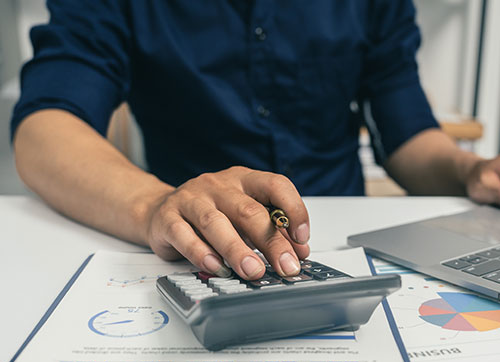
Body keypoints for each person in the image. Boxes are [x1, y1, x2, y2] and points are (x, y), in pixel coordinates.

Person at [11, 1, 500, 281]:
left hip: (344, 244)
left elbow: (408, 133)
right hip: (192, 248)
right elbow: (46, 126)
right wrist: (157, 204)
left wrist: (468, 172)